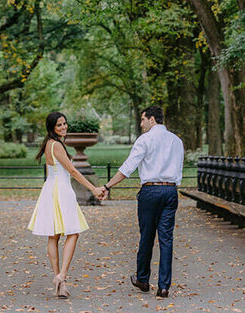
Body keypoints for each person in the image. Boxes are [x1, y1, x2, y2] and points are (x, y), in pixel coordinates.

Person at [100, 105, 184, 298]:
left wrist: (107, 186)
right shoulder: (177, 141)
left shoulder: (145, 139)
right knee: (166, 239)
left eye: (143, 119)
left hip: (151, 190)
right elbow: (178, 168)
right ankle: (164, 286)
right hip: (171, 190)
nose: (141, 124)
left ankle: (143, 279)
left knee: (147, 236)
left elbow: (128, 168)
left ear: (152, 119)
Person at [27, 111, 107, 298]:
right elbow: (72, 170)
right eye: (59, 125)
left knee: (54, 236)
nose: (64, 127)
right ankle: (61, 275)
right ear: (52, 128)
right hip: (60, 190)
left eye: (64, 123)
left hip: (51, 189)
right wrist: (93, 189)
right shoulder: (56, 145)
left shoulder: (50, 143)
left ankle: (59, 281)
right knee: (73, 232)